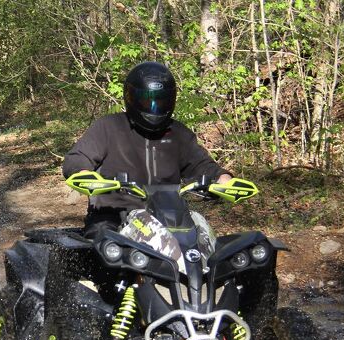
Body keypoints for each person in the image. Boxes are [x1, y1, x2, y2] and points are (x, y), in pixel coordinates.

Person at [63, 61, 232, 236]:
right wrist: (84, 173)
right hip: (114, 214)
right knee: (103, 244)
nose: (154, 107)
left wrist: (222, 178)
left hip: (168, 216)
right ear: (131, 98)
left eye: (160, 101)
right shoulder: (109, 127)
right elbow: (77, 157)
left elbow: (201, 165)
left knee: (203, 245)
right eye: (146, 100)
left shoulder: (179, 134)